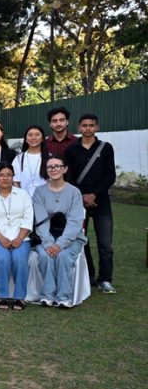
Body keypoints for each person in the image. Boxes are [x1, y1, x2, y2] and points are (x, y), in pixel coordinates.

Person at [65, 113, 116, 293]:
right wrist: (81, 196)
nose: (88, 128)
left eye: (91, 125)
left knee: (105, 243)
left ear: (97, 127)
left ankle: (105, 279)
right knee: (81, 241)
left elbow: (111, 175)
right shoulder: (72, 150)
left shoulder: (106, 148)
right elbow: (69, 177)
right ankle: (88, 275)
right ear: (78, 128)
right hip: (79, 203)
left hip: (101, 202)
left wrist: (94, 194)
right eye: (84, 125)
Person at [32, 156, 87, 308]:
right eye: (50, 167)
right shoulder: (39, 192)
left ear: (65, 169)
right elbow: (41, 220)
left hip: (71, 237)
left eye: (57, 166)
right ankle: (47, 295)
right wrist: (49, 243)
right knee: (44, 255)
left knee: (63, 256)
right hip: (45, 237)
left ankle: (64, 297)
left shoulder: (74, 192)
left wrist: (61, 244)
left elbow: (75, 222)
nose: (54, 169)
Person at [0, 162, 34, 311]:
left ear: (13, 176)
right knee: (2, 258)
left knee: (19, 259)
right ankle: (2, 295)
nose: (5, 178)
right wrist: (1, 238)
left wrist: (19, 239)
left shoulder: (23, 195)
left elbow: (28, 219)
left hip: (21, 237)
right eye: (2, 175)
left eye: (9, 175)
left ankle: (20, 297)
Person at [12, 125, 50, 198]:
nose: (33, 138)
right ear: (26, 139)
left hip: (46, 199)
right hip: (24, 200)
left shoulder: (50, 158)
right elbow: (15, 181)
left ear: (42, 138)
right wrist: (22, 197)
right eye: (30, 135)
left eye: (37, 135)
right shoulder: (19, 159)